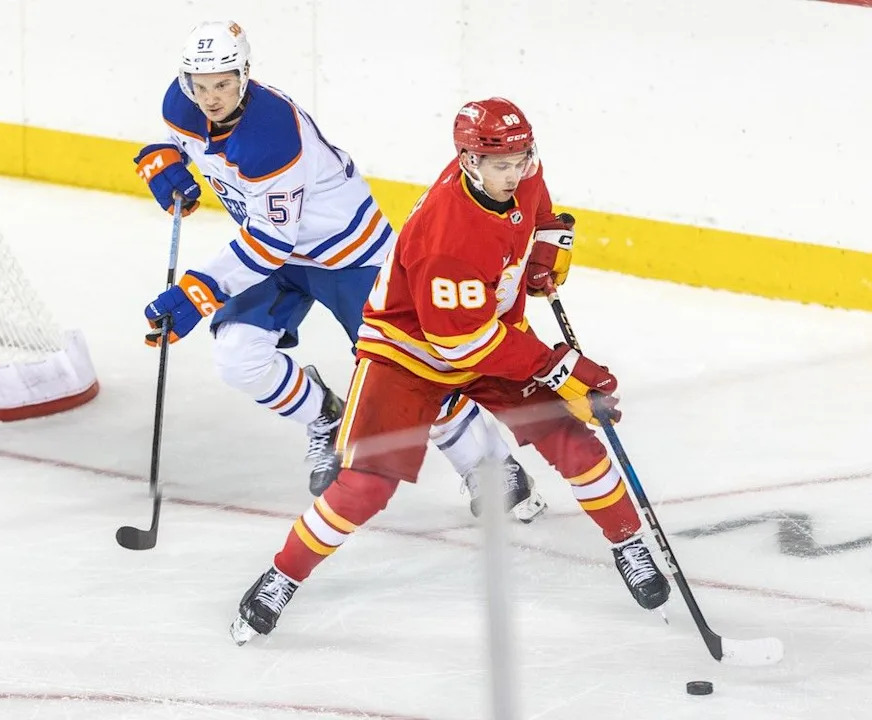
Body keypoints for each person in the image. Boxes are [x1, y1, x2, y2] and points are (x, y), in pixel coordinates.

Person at [231, 97, 671, 645]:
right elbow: (463, 349)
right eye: (502, 165)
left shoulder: (516, 170)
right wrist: (557, 366)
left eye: (522, 160)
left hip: (486, 333)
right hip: (407, 352)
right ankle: (282, 576)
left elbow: (538, 212)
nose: (515, 174)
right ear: (468, 161)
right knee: (365, 485)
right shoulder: (448, 236)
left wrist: (545, 247)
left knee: (570, 439)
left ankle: (627, 542)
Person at [133, 20, 546, 518]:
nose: (211, 97)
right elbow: (185, 142)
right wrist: (164, 160)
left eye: (223, 84)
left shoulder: (272, 133)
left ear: (244, 75)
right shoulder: (182, 105)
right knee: (238, 358)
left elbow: (269, 241)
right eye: (201, 86)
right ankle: (324, 414)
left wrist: (195, 294)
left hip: (347, 254)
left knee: (414, 371)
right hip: (276, 254)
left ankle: (493, 467)